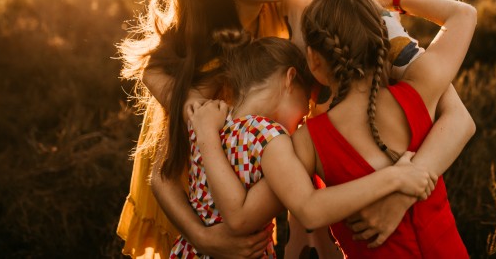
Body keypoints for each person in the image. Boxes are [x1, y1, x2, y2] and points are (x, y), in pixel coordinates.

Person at [117, 0, 307, 259]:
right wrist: (204, 239)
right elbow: (163, 175)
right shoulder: (207, 59)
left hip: (242, 182)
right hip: (192, 205)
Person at [172, 31, 437, 258]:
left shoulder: (209, 121)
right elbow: (297, 208)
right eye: (307, 103)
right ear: (290, 79)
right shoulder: (270, 136)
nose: (306, 115)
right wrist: (394, 177)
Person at [300, 0, 476, 256]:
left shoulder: (308, 140)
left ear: (314, 60)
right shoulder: (420, 90)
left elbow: (299, 208)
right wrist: (394, 0)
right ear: (384, 45)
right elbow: (463, 13)